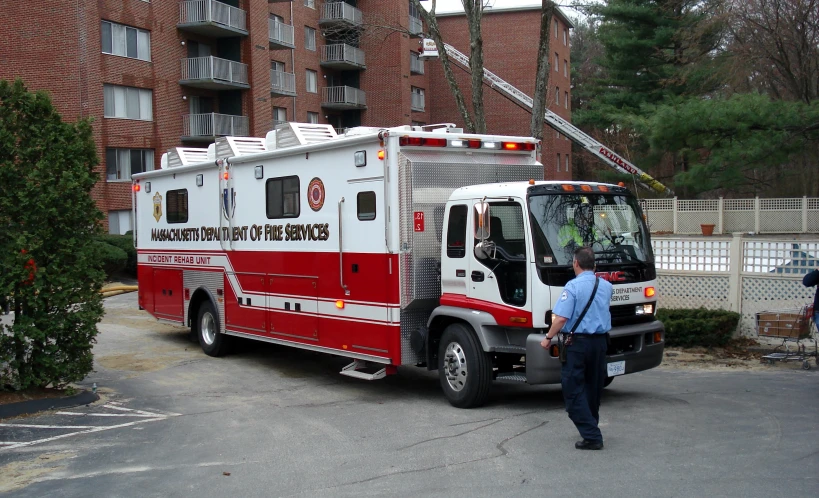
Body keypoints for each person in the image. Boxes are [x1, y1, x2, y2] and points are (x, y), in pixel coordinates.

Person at [541, 246, 613, 450]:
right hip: (600, 343)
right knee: (593, 387)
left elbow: (561, 318)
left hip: (577, 344)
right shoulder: (606, 286)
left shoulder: (572, 287)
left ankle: (592, 436)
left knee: (572, 390)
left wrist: (548, 338)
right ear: (595, 265)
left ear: (575, 264)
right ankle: (591, 424)